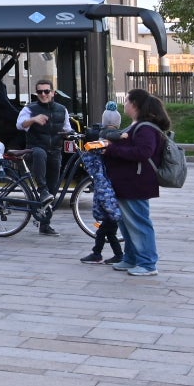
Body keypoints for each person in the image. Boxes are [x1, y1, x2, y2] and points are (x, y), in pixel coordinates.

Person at [99, 88, 169, 277]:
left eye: (127, 101)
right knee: (126, 223)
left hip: (136, 183)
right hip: (127, 182)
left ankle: (147, 263)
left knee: (138, 223)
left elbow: (143, 152)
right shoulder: (138, 125)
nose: (125, 105)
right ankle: (131, 258)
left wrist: (112, 150)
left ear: (135, 105)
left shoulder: (145, 128)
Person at [16, 79, 73, 234]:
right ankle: (42, 189)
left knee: (53, 187)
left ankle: (45, 224)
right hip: (34, 150)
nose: (43, 94)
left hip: (55, 151)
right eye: (40, 92)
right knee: (39, 153)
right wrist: (33, 119)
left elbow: (67, 128)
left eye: (46, 91)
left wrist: (72, 134)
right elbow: (19, 124)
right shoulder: (30, 109)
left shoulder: (62, 109)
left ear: (53, 93)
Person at [80, 102, 125, 265]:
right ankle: (104, 254)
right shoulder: (119, 141)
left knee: (106, 229)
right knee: (107, 230)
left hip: (107, 191)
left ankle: (102, 254)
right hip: (114, 189)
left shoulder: (102, 142)